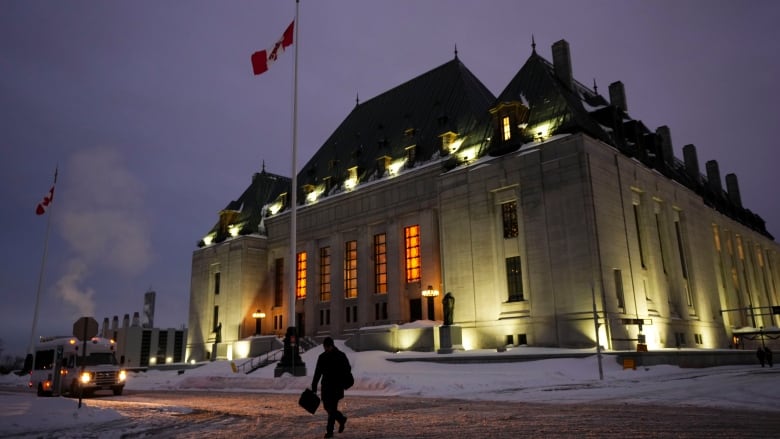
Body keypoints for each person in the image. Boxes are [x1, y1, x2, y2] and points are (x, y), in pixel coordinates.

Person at [311, 337, 350, 438]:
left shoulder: (340, 356)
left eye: (327, 347)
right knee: (327, 407)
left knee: (332, 409)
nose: (325, 349)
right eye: (325, 347)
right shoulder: (322, 357)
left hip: (336, 387)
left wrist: (344, 379)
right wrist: (314, 385)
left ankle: (329, 431)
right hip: (326, 387)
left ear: (331, 346)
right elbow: (317, 373)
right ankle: (341, 419)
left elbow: (347, 369)